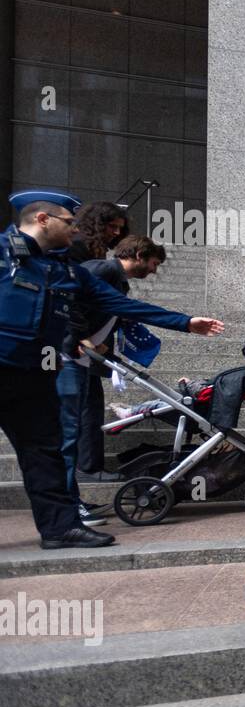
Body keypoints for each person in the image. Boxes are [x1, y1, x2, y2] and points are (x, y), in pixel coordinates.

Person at [1, 190, 224, 550]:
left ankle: (60, 528)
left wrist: (185, 322)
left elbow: (120, 304)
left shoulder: (67, 270)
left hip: (34, 375)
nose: (76, 230)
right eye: (69, 222)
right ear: (43, 220)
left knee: (46, 453)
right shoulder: (4, 253)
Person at [58, 235, 171, 529]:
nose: (154, 270)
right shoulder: (103, 270)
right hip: (70, 360)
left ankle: (71, 503)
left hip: (84, 362)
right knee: (68, 435)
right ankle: (68, 508)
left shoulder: (117, 280)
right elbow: (71, 300)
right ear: (138, 254)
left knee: (77, 427)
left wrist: (107, 350)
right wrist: (80, 337)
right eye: (154, 263)